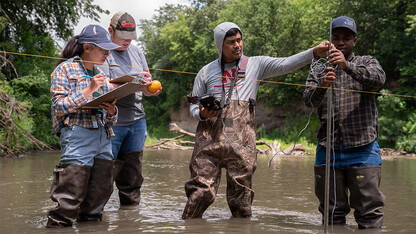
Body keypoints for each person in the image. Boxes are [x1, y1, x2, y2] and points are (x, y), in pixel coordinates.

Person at [182, 22, 329, 219]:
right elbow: (193, 105)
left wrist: (313, 52)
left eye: (239, 40)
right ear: (220, 45)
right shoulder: (205, 71)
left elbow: (286, 64)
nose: (237, 45)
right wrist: (201, 114)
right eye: (231, 42)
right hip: (208, 145)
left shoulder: (256, 64)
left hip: (242, 147)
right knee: (199, 195)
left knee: (241, 202)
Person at [46, 24, 149, 228]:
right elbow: (58, 107)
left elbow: (109, 119)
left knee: (97, 203)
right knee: (68, 201)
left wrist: (112, 111)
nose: (107, 53)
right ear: (87, 47)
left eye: (108, 49)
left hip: (104, 140)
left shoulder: (101, 72)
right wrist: (90, 89)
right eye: (102, 49)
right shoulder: (64, 69)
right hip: (77, 138)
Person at [303, 16, 386, 229]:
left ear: (354, 41)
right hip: (327, 148)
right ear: (330, 40)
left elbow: (378, 80)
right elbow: (308, 101)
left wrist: (346, 65)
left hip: (363, 148)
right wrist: (322, 85)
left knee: (369, 214)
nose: (341, 42)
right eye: (336, 37)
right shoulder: (319, 69)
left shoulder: (367, 62)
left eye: (346, 38)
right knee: (331, 214)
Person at [99, 12, 161, 207]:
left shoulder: (137, 52)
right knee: (105, 173)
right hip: (112, 122)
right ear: (110, 31)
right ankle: (94, 214)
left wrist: (151, 90)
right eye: (122, 37)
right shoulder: (103, 52)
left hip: (137, 121)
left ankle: (130, 218)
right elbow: (103, 88)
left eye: (130, 38)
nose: (127, 42)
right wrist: (133, 83)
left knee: (133, 175)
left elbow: (146, 86)